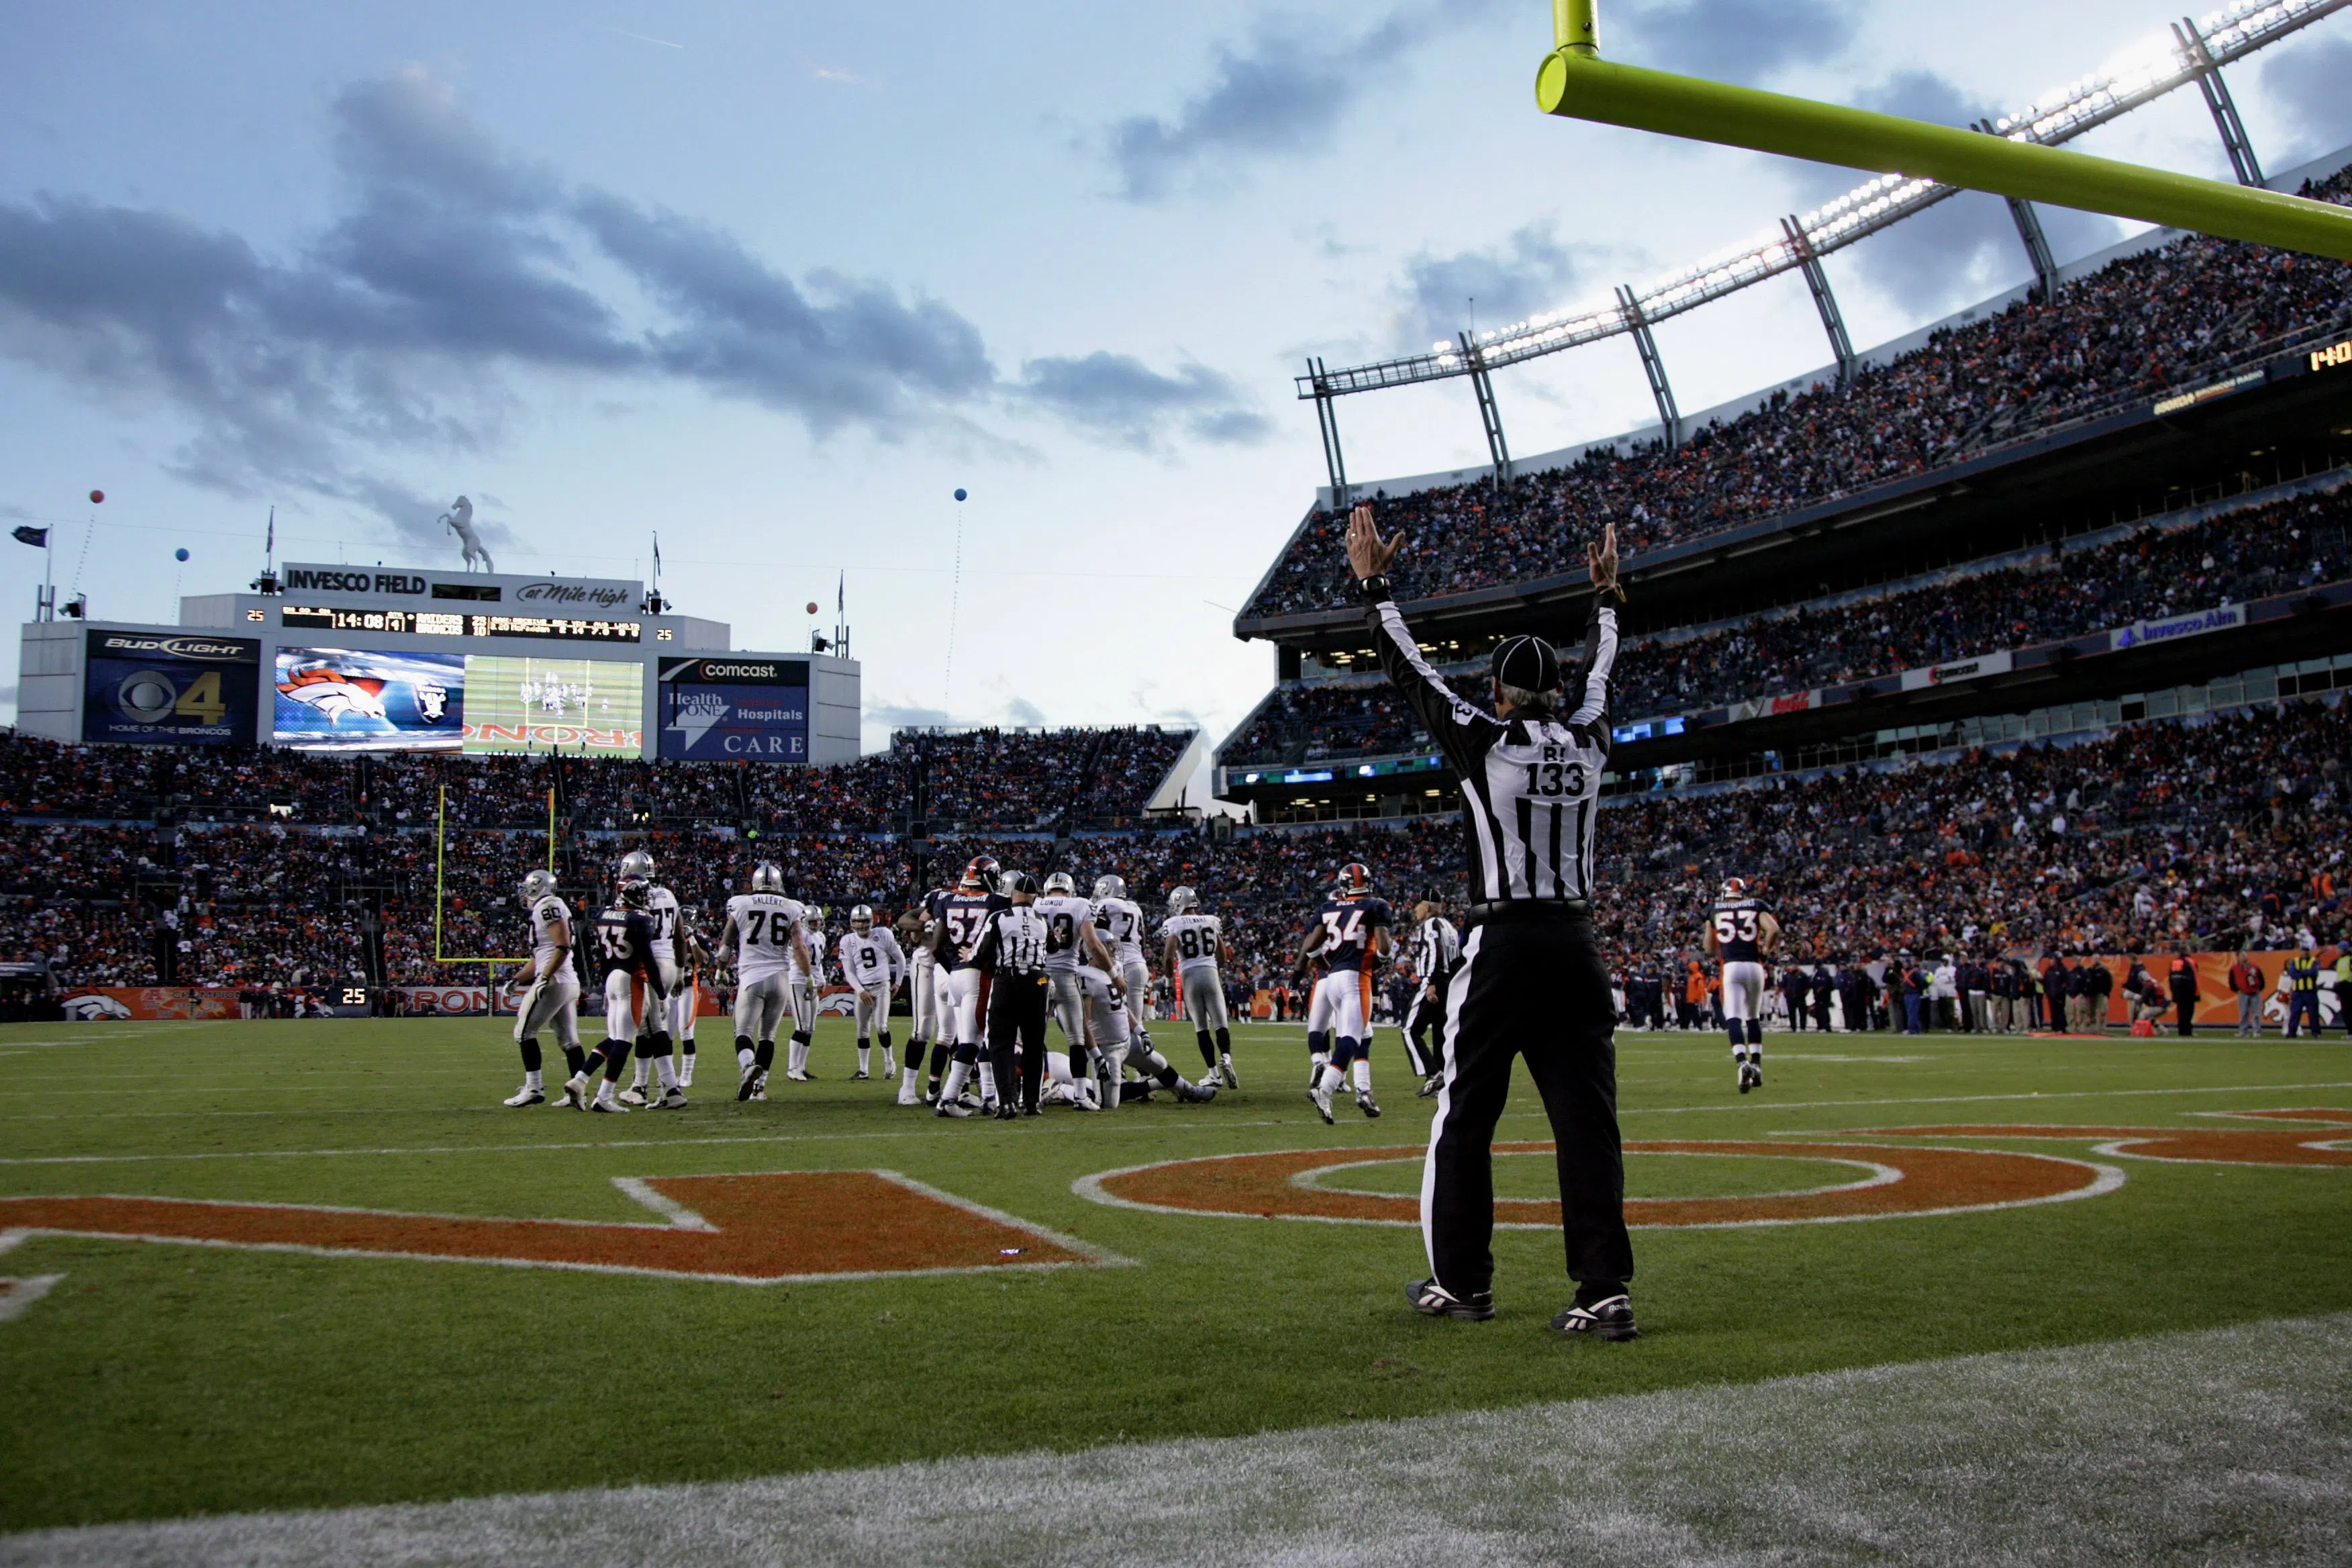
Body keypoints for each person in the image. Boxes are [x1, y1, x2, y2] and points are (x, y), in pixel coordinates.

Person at [1349, 500, 1636, 1340]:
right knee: (1588, 1123)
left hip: (1505, 940)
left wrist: (1377, 588)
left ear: (1504, 692)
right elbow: (1603, 675)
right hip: (1578, 944)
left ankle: (1462, 1282)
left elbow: (1413, 672)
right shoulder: (1589, 741)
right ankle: (1604, 1288)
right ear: (1554, 690)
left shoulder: (1486, 741)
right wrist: (1608, 601)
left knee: (1464, 1114)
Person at [1293, 863, 1393, 1122]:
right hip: (1356, 979)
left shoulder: (1329, 908)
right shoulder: (1375, 905)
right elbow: (1384, 948)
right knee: (1350, 1038)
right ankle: (1325, 1089)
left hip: (1333, 979)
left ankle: (1364, 1090)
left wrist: (1319, 965)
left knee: (1363, 1034)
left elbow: (1311, 947)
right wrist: (1379, 961)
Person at [564, 879, 673, 1113]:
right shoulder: (640, 920)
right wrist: (661, 994)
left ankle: (580, 1079)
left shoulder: (605, 914)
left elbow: (603, 957)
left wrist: (604, 986)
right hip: (631, 979)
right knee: (624, 1041)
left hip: (612, 977)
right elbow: (649, 961)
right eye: (644, 897)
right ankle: (604, 1097)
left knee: (614, 1038)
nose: (647, 901)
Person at [963, 872, 1054, 1119]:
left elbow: (982, 952)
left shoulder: (1000, 917)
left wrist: (968, 957)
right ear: (1035, 898)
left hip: (1008, 980)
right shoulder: (1042, 920)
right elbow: (1054, 946)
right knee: (1034, 1045)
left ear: (1012, 894)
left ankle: (1007, 1103)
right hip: (1038, 980)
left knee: (1000, 1043)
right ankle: (1032, 1103)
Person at [718, 861, 810, 1101]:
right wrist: (808, 976)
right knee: (767, 1036)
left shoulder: (741, 903)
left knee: (743, 1031)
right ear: (779, 884)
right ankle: (759, 1088)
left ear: (755, 883)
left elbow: (727, 942)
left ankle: (748, 1065)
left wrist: (720, 969)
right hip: (781, 978)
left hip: (752, 977)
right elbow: (799, 946)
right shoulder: (792, 906)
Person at [927, 858, 1012, 1112]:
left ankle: (987, 1096)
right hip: (978, 976)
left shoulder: (946, 899)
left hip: (956, 976)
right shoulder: (995, 901)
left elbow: (935, 947)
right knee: (976, 1040)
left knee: (971, 1039)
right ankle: (949, 1100)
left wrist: (954, 967)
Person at [502, 867, 584, 1106]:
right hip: (567, 981)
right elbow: (542, 955)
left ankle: (534, 1088)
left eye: (528, 888)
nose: (525, 893)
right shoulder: (549, 906)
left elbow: (562, 945)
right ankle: (577, 1091)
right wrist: (518, 978)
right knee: (569, 1040)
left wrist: (544, 978)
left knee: (523, 1032)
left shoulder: (548, 906)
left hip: (556, 980)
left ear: (538, 887)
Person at [1035, 871, 1116, 1099]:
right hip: (1065, 975)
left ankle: (1029, 1095)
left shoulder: (1036, 903)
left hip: (1039, 977)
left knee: (1034, 1038)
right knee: (1076, 1039)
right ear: (1070, 888)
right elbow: (1092, 943)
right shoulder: (1081, 904)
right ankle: (1081, 1097)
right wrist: (1113, 974)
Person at [1159, 885, 1240, 1089]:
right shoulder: (1211, 921)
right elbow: (1222, 955)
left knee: (1201, 1027)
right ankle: (1227, 1058)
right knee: (1221, 1023)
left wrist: (1168, 982)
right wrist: (1218, 968)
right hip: (1210, 971)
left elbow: (1168, 956)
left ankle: (1214, 1073)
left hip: (1190, 975)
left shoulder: (1174, 923)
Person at [1704, 877, 1779, 1093]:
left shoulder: (1714, 910)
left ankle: (1741, 1062)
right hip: (1754, 966)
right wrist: (1766, 951)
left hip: (1731, 967)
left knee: (1733, 1016)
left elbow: (1709, 947)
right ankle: (1756, 1064)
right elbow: (1773, 930)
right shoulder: (1755, 905)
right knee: (1753, 1017)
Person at [835, 905, 906, 1082]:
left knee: (881, 1027)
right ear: (852, 923)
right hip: (863, 988)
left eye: (864, 921)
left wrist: (897, 982)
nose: (860, 925)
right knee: (862, 1030)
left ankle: (889, 1061)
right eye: (857, 921)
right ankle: (863, 1070)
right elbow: (849, 972)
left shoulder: (882, 934)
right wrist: (860, 991)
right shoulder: (847, 940)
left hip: (882, 986)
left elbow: (900, 958)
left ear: (871, 921)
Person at [1402, 900, 1463, 1097]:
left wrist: (1430, 982)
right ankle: (1444, 1081)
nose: (1415, 910)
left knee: (1410, 1030)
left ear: (1427, 908)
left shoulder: (1431, 925)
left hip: (1435, 982)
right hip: (1449, 984)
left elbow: (1435, 951)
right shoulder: (1450, 927)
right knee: (1440, 1034)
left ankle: (1432, 1073)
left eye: (1418, 906)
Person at [897, 894, 947, 1105]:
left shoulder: (972, 906)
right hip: (928, 965)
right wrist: (924, 924)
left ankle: (957, 1088)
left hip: (953, 967)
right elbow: (903, 921)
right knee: (923, 1029)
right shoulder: (937, 904)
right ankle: (907, 1088)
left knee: (954, 1031)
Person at [2282, 946, 2324, 1038]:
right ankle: (2292, 1032)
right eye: (2303, 951)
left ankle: (2316, 1032)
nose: (2305, 953)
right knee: (2295, 1013)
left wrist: (2301, 973)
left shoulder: (2314, 961)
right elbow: (2292, 973)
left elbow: (2314, 972)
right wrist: (2305, 973)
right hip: (2298, 992)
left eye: (2306, 951)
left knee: (2313, 1013)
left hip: (2310, 991)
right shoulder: (2295, 961)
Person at [2226, 950, 2265, 1038]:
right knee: (2243, 1013)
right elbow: (2231, 980)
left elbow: (2261, 978)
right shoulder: (2234, 969)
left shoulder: (2254, 967)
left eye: (2245, 956)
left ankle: (2257, 1031)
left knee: (2256, 1013)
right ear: (2238, 957)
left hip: (2255, 992)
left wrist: (2260, 988)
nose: (2244, 957)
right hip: (2243, 993)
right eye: (2242, 956)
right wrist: (2236, 990)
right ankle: (2243, 1031)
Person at [2168, 950, 2200, 1036]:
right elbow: (2194, 977)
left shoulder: (2175, 963)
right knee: (2189, 1012)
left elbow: (2171, 978)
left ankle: (2181, 1031)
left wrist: (2174, 991)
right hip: (2188, 991)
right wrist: (2196, 993)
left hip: (2178, 991)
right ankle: (2188, 1031)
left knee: (2180, 1012)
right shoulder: (2191, 962)